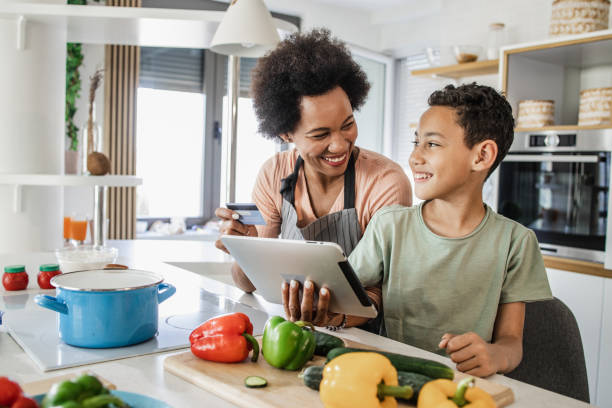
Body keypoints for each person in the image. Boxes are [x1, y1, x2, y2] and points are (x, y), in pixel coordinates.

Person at [347, 83, 553, 377]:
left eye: (431, 144)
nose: (414, 157)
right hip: (392, 380)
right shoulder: (389, 225)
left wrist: (494, 355)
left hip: (463, 387)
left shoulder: (516, 242)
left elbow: (512, 344)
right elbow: (341, 293)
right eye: (415, 142)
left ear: (481, 156)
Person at [214, 28, 412, 328]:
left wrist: (334, 316)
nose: (340, 144)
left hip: (365, 338)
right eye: (320, 134)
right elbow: (248, 284)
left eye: (348, 125)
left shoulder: (385, 182)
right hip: (296, 329)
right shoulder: (274, 173)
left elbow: (382, 292)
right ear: (285, 133)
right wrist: (244, 249)